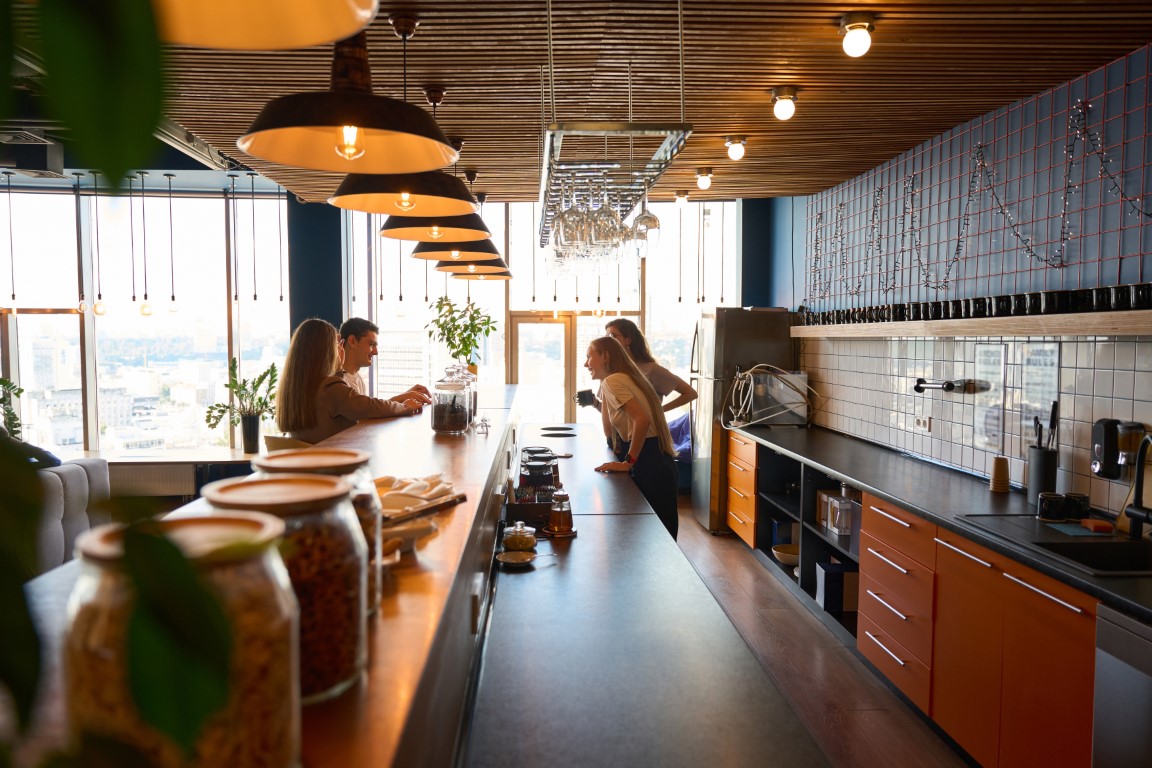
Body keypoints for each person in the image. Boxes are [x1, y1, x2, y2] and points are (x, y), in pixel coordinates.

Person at [585, 335, 679, 539]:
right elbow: (609, 430)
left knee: (652, 540)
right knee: (660, 541)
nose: (586, 363)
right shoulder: (620, 378)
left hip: (649, 463)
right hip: (659, 462)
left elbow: (641, 420)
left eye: (589, 357)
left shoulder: (613, 381)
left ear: (606, 356)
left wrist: (629, 461)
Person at [277, 318, 427, 444]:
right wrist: (405, 407)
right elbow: (368, 407)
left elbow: (359, 406)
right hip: (333, 467)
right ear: (325, 351)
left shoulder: (295, 389)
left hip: (307, 467)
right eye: (337, 345)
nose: (340, 349)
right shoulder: (331, 389)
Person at [604, 318, 698, 412]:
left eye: (613, 336)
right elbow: (614, 413)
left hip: (648, 427)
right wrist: (596, 403)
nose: (608, 341)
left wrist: (659, 412)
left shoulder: (650, 369)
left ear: (628, 340)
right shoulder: (612, 371)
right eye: (606, 337)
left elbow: (690, 393)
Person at [338, 317, 431, 403]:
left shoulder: (359, 380)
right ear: (352, 341)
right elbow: (364, 413)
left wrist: (405, 396)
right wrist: (403, 397)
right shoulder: (337, 382)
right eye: (371, 345)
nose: (376, 352)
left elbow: (368, 412)